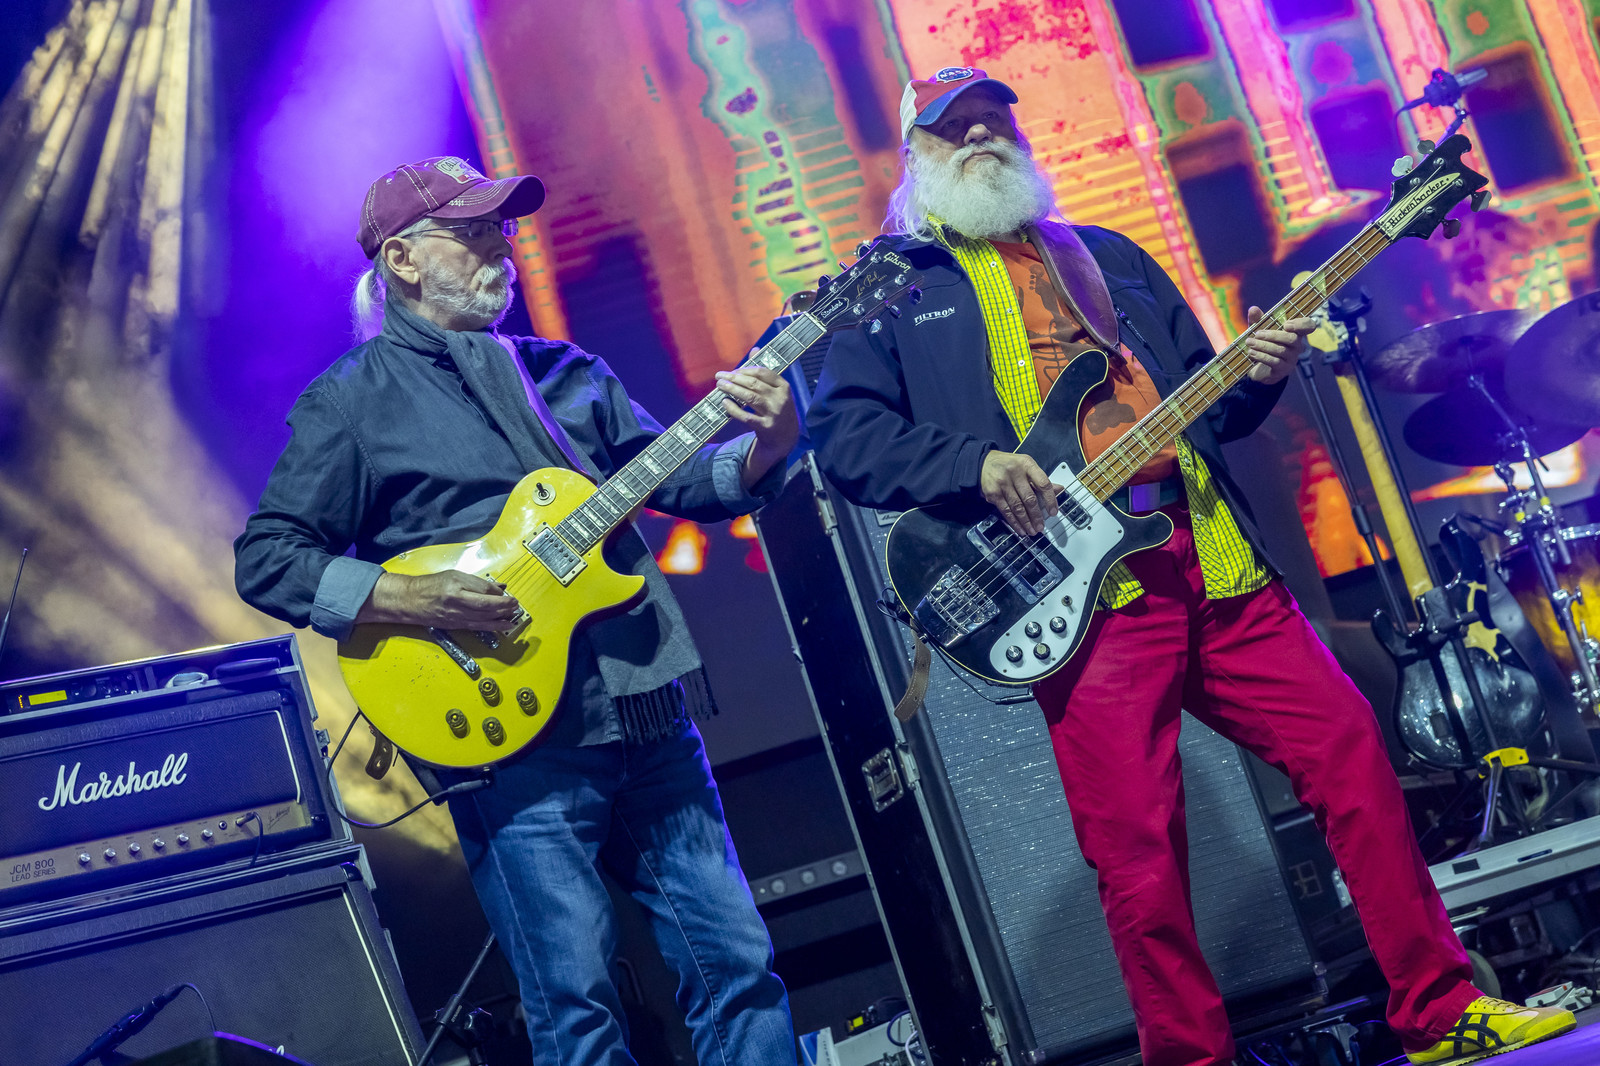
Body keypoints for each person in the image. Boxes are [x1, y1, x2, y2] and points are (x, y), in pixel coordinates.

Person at [805, 67, 1575, 1066]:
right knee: (1137, 850)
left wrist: (1261, 373)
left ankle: (1436, 1008)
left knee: (1348, 748)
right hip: (1083, 593)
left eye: (996, 120)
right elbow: (847, 439)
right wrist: (974, 465)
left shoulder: (1108, 257)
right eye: (957, 128)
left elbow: (1209, 407)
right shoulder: (897, 288)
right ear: (918, 156)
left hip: (1209, 556)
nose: (983, 136)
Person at [234, 156, 796, 1065]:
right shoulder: (352, 403)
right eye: (473, 232)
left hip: (640, 704)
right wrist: (404, 594)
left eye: (502, 228)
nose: (502, 246)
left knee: (738, 964)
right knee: (577, 1008)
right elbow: (268, 558)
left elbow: (684, 481)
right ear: (403, 260)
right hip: (510, 742)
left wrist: (770, 442)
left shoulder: (565, 373)